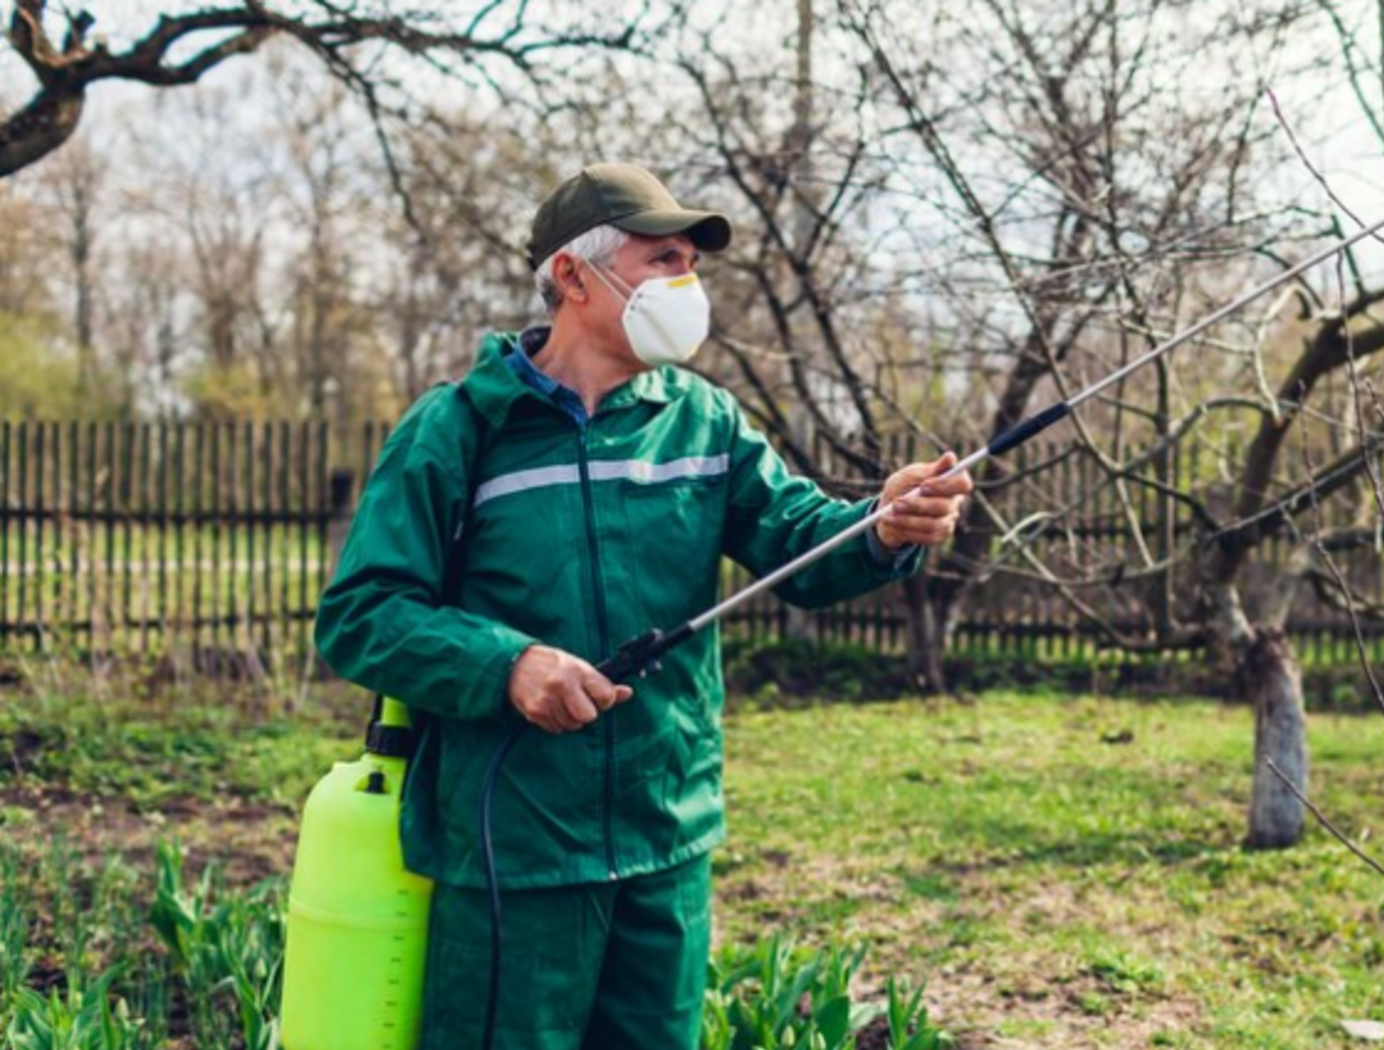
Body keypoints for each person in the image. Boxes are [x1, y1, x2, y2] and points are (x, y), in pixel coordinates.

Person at [314, 161, 971, 1050]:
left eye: (690, 264)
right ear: (575, 278)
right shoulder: (458, 430)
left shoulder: (704, 421)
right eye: (662, 258)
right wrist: (507, 665)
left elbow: (799, 545)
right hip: (515, 849)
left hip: (666, 838)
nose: (684, 283)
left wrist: (885, 526)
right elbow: (363, 613)